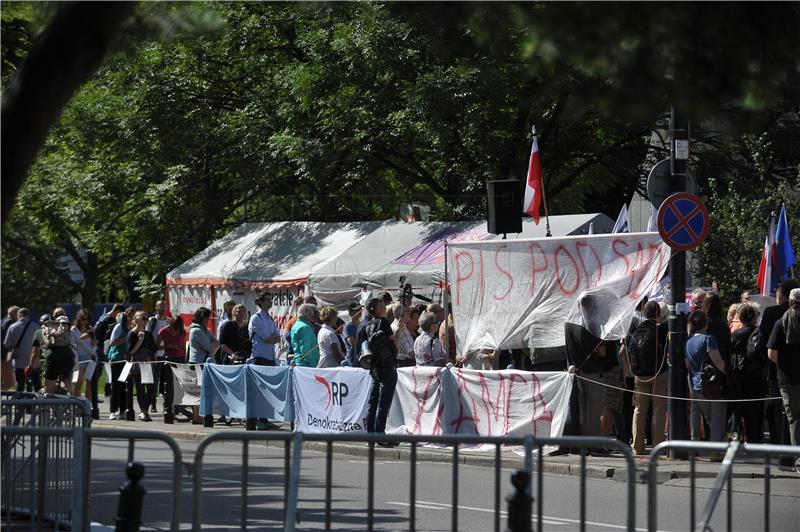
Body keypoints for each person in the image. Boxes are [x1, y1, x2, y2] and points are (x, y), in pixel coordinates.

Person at [564, 293, 622, 444]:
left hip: (575, 371)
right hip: (593, 372)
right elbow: (602, 352)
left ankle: (582, 441)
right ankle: (594, 444)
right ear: (590, 307)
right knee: (594, 411)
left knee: (581, 410)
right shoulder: (591, 325)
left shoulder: (568, 324)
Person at [619, 301, 668, 455]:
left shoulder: (635, 328)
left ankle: (637, 446)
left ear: (644, 313)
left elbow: (622, 352)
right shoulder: (662, 329)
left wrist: (630, 370)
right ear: (658, 314)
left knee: (639, 410)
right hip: (659, 373)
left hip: (639, 375)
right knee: (659, 409)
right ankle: (658, 446)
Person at [759, 279, 799, 452]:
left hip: (784, 376)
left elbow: (769, 351)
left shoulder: (777, 319)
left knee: (790, 417)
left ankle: (789, 452)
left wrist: (784, 364)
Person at [767, 287, 800, 473]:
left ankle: (798, 459)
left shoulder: (781, 323)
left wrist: (787, 363)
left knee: (794, 421)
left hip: (788, 379)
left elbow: (771, 353)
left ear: (789, 303)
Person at [685, 310, 727, 448]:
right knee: (717, 416)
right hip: (711, 384)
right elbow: (718, 361)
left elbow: (687, 364)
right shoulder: (708, 338)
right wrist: (728, 374)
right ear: (706, 323)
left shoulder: (688, 340)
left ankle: (696, 444)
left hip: (695, 385)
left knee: (706, 415)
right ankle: (716, 449)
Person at [359, 297, 399, 442]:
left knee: (373, 401)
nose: (384, 306)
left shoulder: (367, 325)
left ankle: (371, 434)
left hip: (374, 366)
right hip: (387, 365)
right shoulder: (383, 322)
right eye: (382, 304)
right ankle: (380, 434)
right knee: (384, 402)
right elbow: (394, 341)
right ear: (377, 308)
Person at [730, 302, 767, 443]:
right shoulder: (760, 333)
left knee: (744, 409)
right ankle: (758, 438)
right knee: (758, 408)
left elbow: (729, 354)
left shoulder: (736, 335)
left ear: (740, 318)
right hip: (759, 374)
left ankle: (746, 437)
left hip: (741, 374)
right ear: (754, 317)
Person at [188, 307, 218, 424]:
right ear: (201, 318)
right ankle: (197, 416)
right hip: (197, 364)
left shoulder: (204, 330)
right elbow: (210, 346)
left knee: (202, 390)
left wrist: (212, 347)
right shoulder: (196, 331)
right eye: (206, 318)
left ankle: (199, 416)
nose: (208, 320)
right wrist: (212, 348)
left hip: (203, 363)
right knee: (197, 391)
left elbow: (217, 342)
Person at [157, 315, 186, 423]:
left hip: (180, 358)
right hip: (169, 358)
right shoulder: (163, 331)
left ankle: (176, 407)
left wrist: (184, 360)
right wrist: (168, 346)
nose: (178, 327)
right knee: (168, 385)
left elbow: (183, 346)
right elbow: (157, 346)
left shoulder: (182, 331)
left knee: (178, 385)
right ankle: (168, 408)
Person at [129, 311, 158, 421]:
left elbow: (153, 350)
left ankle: (145, 410)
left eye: (146, 318)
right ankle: (144, 412)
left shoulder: (149, 334)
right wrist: (140, 339)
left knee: (151, 389)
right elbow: (131, 351)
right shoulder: (132, 334)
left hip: (148, 365)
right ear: (136, 319)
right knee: (140, 389)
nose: (145, 320)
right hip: (137, 365)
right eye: (143, 318)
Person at [3, 308, 39, 393]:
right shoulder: (36, 326)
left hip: (19, 362)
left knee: (20, 385)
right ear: (28, 315)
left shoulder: (13, 327)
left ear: (18, 315)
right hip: (33, 362)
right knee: (32, 386)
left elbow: (6, 344)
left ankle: (20, 405)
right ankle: (32, 405)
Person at [93, 303, 123, 402]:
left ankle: (99, 393)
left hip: (99, 347)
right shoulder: (109, 320)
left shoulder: (103, 317)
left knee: (101, 371)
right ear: (117, 311)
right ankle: (94, 395)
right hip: (103, 348)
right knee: (100, 371)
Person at [107, 308, 132, 419]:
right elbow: (112, 342)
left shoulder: (132, 328)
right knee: (116, 386)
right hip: (117, 360)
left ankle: (122, 411)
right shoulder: (119, 327)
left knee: (124, 386)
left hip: (126, 360)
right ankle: (113, 411)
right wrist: (126, 338)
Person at [41, 315, 77, 394]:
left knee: (48, 388)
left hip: (54, 360)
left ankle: (48, 402)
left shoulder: (43, 331)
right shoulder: (69, 332)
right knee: (65, 379)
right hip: (69, 359)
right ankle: (73, 400)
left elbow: (39, 350)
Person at [146, 300, 170, 413]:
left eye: (164, 307)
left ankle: (167, 404)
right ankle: (153, 403)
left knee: (166, 380)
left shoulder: (169, 321)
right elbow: (148, 337)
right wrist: (153, 352)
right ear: (156, 308)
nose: (162, 309)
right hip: (154, 354)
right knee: (154, 380)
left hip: (166, 354)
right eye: (160, 306)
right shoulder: (152, 321)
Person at [249, 295, 281, 366]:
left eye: (271, 300)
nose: (270, 302)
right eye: (267, 300)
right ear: (261, 302)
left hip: (271, 358)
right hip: (260, 357)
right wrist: (272, 337)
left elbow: (279, 338)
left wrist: (272, 338)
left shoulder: (270, 319)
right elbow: (267, 339)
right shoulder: (256, 318)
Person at [70, 309, 96, 398]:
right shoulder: (74, 329)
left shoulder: (91, 329)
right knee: (79, 381)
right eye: (83, 319)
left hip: (90, 357)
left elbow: (94, 344)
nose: (85, 321)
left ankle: (88, 404)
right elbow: (75, 343)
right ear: (78, 319)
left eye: (87, 319)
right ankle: (78, 403)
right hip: (79, 357)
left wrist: (92, 337)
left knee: (89, 382)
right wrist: (84, 336)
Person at [391, 303, 415, 368]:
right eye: (408, 311)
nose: (409, 312)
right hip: (407, 364)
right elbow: (411, 352)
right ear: (402, 314)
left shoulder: (394, 325)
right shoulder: (401, 329)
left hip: (402, 363)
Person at [1, 305, 19, 389]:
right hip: (4, 357)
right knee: (10, 382)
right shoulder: (11, 323)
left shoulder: (2, 321)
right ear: (15, 314)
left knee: (6, 381)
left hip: (3, 356)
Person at [343, 302, 362, 367]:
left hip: (362, 360)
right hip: (353, 361)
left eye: (360, 309)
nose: (360, 311)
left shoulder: (362, 324)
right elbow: (353, 345)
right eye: (357, 310)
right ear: (350, 313)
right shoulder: (348, 327)